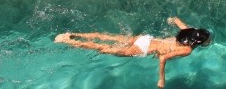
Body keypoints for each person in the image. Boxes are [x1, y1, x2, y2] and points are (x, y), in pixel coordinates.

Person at [55, 16, 212, 88]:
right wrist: (162, 80)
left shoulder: (188, 31)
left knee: (106, 37)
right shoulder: (186, 50)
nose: (207, 42)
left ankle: (72, 34)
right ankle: (68, 41)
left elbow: (176, 19)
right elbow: (163, 57)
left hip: (145, 39)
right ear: (198, 42)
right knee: (104, 49)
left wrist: (170, 20)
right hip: (142, 49)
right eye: (206, 41)